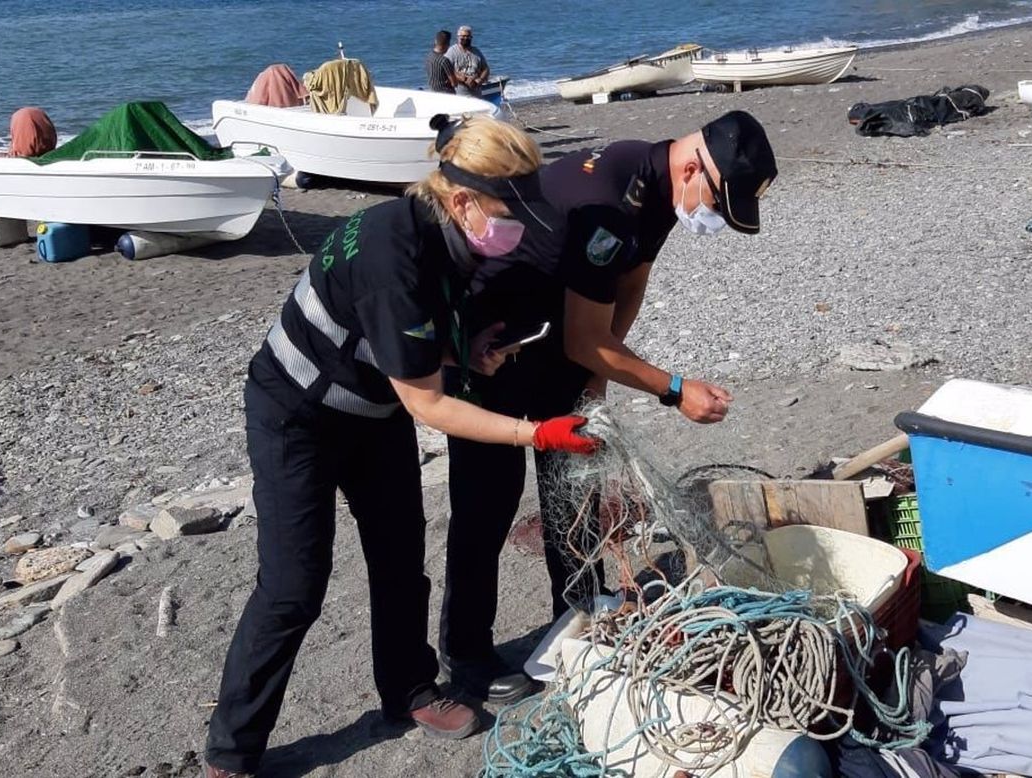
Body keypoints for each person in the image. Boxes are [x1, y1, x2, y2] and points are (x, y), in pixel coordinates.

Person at [202, 115, 599, 778]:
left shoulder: (437, 231)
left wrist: (461, 350)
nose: (519, 227)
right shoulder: (394, 254)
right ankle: (232, 749)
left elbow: (414, 346)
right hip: (295, 414)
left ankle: (409, 689)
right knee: (293, 586)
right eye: (510, 210)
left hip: (371, 407)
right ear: (462, 199)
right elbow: (430, 404)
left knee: (399, 559)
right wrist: (537, 432)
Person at [436, 110, 778, 703]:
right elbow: (583, 339)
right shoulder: (612, 203)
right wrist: (673, 390)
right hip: (493, 349)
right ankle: (466, 654)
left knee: (575, 489)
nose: (715, 219)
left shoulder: (658, 180)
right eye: (719, 205)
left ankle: (581, 612)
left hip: (555, 342)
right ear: (694, 166)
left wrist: (596, 382)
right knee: (485, 506)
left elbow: (631, 284)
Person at [445, 25, 489, 97]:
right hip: (459, 94)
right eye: (463, 36)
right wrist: (464, 79)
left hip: (476, 94)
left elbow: (486, 69)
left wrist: (480, 80)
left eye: (468, 36)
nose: (465, 38)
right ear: (458, 37)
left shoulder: (476, 52)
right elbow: (446, 69)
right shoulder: (451, 52)